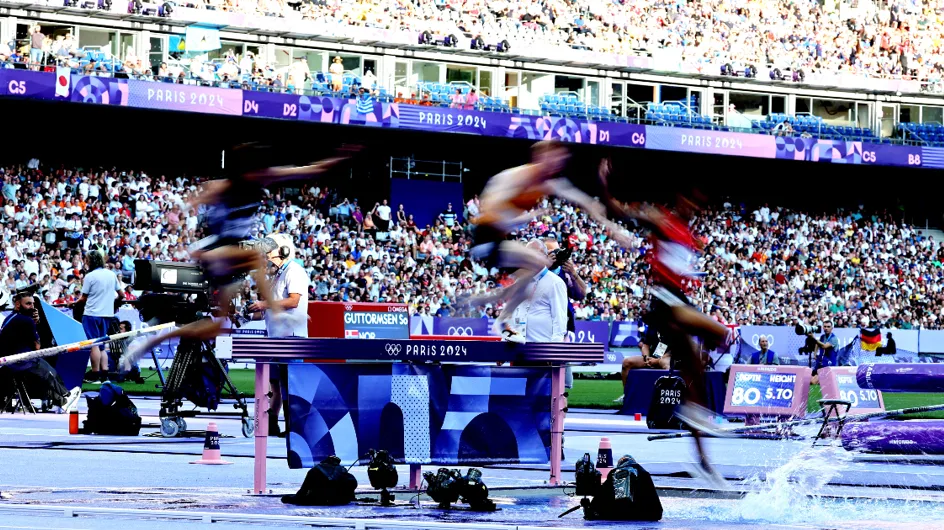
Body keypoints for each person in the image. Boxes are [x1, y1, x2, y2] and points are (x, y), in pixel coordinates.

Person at [120, 144, 355, 369]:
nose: (264, 175)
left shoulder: (264, 178)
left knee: (214, 329)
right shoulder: (226, 186)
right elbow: (196, 198)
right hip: (216, 251)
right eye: (259, 171)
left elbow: (308, 170)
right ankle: (279, 315)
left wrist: (338, 159)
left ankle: (146, 344)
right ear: (246, 171)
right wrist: (178, 212)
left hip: (232, 262)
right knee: (256, 254)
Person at [608, 187, 733, 487]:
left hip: (680, 304)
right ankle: (695, 413)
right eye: (690, 201)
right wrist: (604, 186)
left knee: (695, 378)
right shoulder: (663, 220)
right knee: (721, 332)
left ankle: (703, 460)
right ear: (679, 200)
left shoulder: (690, 236)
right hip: (667, 303)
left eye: (699, 205)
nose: (694, 208)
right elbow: (621, 210)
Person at [464, 141, 630, 341]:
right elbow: (490, 206)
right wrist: (520, 219)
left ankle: (500, 312)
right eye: (555, 157)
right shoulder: (517, 176)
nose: (558, 163)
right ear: (540, 156)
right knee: (539, 263)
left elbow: (586, 203)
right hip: (484, 237)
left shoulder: (550, 183)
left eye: (562, 159)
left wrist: (613, 228)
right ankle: (499, 310)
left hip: (498, 241)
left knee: (538, 267)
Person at [249, 233, 310, 437]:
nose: (267, 259)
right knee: (275, 383)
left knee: (291, 385)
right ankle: (273, 423)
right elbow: (269, 309)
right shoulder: (277, 276)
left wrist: (264, 304)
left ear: (283, 252)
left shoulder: (295, 271)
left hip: (290, 338)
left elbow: (293, 301)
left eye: (270, 255)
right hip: (276, 337)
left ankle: (294, 428)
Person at [0, 292, 80, 412]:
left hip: (13, 360)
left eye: (33, 304)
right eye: (28, 304)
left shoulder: (10, 317)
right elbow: (37, 346)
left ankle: (64, 399)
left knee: (47, 369)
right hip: (19, 362)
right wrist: (35, 324)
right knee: (48, 372)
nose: (32, 307)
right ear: (17, 304)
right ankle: (65, 397)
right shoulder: (26, 320)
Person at [75, 249, 123, 383]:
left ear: (90, 261)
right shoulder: (111, 274)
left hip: (91, 314)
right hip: (107, 314)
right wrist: (114, 305)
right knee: (102, 344)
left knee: (93, 344)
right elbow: (121, 295)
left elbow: (83, 298)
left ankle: (95, 373)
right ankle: (104, 374)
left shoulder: (90, 276)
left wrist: (72, 304)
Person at [809, 320, 838, 384]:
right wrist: (815, 353)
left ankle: (827, 380)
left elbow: (824, 346)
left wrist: (813, 338)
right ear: (823, 327)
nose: (826, 328)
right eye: (825, 326)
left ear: (832, 328)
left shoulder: (834, 338)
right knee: (808, 379)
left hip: (829, 365)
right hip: (820, 362)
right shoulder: (822, 336)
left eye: (828, 327)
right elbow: (817, 344)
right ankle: (824, 380)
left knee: (812, 382)